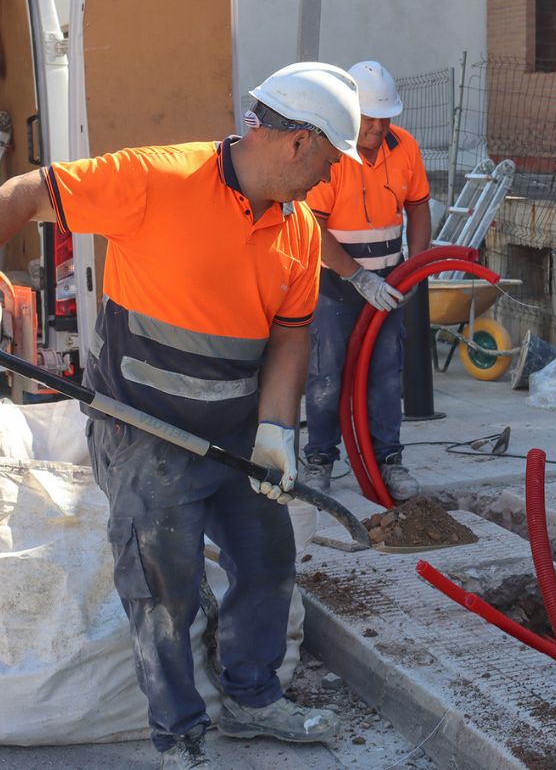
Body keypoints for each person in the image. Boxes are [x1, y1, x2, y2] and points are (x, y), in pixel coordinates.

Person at [0, 62, 362, 769]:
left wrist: (276, 431)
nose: (328, 179)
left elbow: (290, 335)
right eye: (327, 161)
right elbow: (26, 190)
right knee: (164, 585)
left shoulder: (301, 232)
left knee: (267, 563)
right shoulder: (159, 179)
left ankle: (253, 701)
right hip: (145, 431)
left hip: (233, 431)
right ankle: (180, 732)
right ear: (297, 142)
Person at [301, 60, 431, 500]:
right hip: (336, 285)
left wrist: (417, 264)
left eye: (384, 117)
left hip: (389, 281)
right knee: (326, 377)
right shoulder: (332, 153)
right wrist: (357, 277)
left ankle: (388, 461)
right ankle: (319, 460)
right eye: (369, 118)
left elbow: (418, 206)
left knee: (385, 376)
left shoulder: (405, 147)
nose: (377, 127)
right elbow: (313, 227)